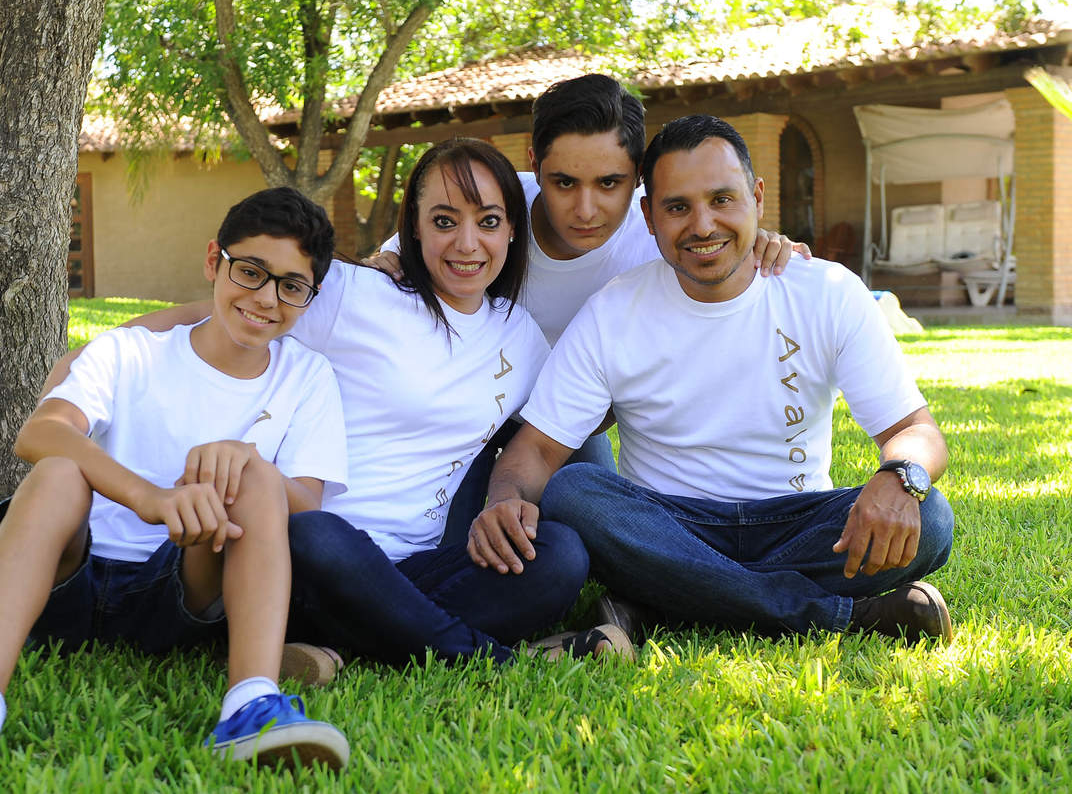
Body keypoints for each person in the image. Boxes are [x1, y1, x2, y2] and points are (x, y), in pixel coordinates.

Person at [0, 187, 353, 776]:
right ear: (213, 261)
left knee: (260, 481)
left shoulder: (307, 376)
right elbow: (40, 432)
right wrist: (148, 497)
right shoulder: (133, 352)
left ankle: (251, 706)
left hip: (183, 590)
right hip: (69, 576)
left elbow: (308, 503)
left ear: (309, 297)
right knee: (58, 471)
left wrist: (246, 462)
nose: (266, 298)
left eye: (291, 286)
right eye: (250, 271)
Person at [93, 138, 629, 667]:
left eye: (488, 221)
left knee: (559, 555)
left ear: (511, 228)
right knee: (321, 537)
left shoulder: (520, 336)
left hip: (412, 567)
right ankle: (493, 657)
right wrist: (100, 354)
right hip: (296, 551)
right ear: (413, 227)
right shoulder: (355, 293)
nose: (467, 243)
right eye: (444, 221)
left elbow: (570, 418)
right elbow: (210, 319)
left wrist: (503, 503)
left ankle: (342, 643)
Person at [468, 115, 955, 644]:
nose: (703, 226)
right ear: (649, 216)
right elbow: (537, 452)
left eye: (722, 199)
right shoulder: (612, 311)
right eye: (678, 207)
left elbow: (915, 430)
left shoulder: (828, 291)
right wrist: (504, 499)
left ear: (757, 198)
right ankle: (838, 615)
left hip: (793, 523)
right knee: (574, 492)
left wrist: (899, 477)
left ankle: (664, 600)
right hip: (667, 524)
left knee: (930, 517)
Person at [369, 75, 805, 545]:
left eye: (609, 183)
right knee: (447, 544)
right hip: (463, 411)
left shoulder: (661, 240)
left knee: (591, 534)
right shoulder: (491, 208)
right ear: (535, 165)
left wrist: (758, 240)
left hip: (565, 424)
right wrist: (382, 268)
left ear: (638, 175)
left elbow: (719, 245)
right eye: (564, 183)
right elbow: (394, 262)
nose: (585, 209)